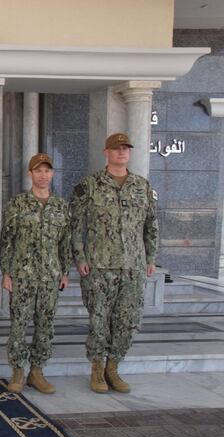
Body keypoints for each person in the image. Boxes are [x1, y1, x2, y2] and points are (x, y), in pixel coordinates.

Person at [70, 133, 159, 394]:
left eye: (125, 148)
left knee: (127, 320)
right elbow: (76, 224)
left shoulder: (141, 185)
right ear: (106, 152)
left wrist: (151, 257)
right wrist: (80, 257)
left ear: (129, 153)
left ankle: (113, 368)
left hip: (133, 265)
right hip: (99, 265)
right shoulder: (90, 185)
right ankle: (97, 369)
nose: (121, 152)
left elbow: (151, 224)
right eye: (116, 148)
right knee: (99, 320)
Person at [0, 153, 70, 394]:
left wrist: (64, 271)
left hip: (50, 275)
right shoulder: (18, 204)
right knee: (19, 324)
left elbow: (65, 242)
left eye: (47, 171)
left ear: (52, 174)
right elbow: (7, 239)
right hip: (23, 275)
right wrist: (6, 272)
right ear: (30, 174)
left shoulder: (61, 206)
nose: (43, 175)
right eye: (38, 171)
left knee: (46, 325)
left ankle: (37, 372)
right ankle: (18, 371)